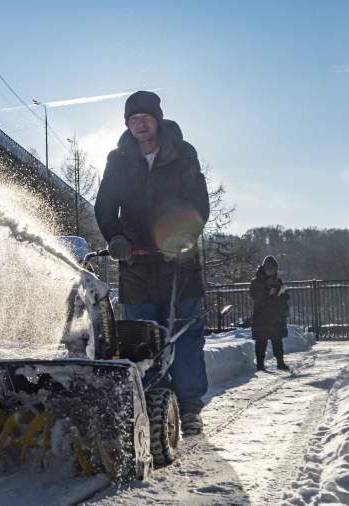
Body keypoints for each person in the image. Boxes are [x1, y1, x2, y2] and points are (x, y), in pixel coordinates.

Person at [94, 91, 210, 435]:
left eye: (145, 117)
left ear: (157, 119)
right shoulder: (118, 160)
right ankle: (150, 404)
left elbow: (197, 202)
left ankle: (189, 407)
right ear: (127, 124)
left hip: (180, 262)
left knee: (184, 334)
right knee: (140, 337)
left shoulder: (182, 153)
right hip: (137, 265)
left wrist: (183, 236)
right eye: (133, 119)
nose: (140, 124)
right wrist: (115, 237)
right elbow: (105, 205)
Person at [249, 256, 290, 371]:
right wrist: (269, 294)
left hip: (275, 315)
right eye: (269, 268)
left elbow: (285, 296)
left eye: (273, 268)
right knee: (261, 341)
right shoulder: (256, 281)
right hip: (261, 315)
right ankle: (260, 364)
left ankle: (280, 362)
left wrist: (282, 295)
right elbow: (254, 295)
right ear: (264, 268)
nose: (271, 271)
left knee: (277, 340)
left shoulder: (278, 281)